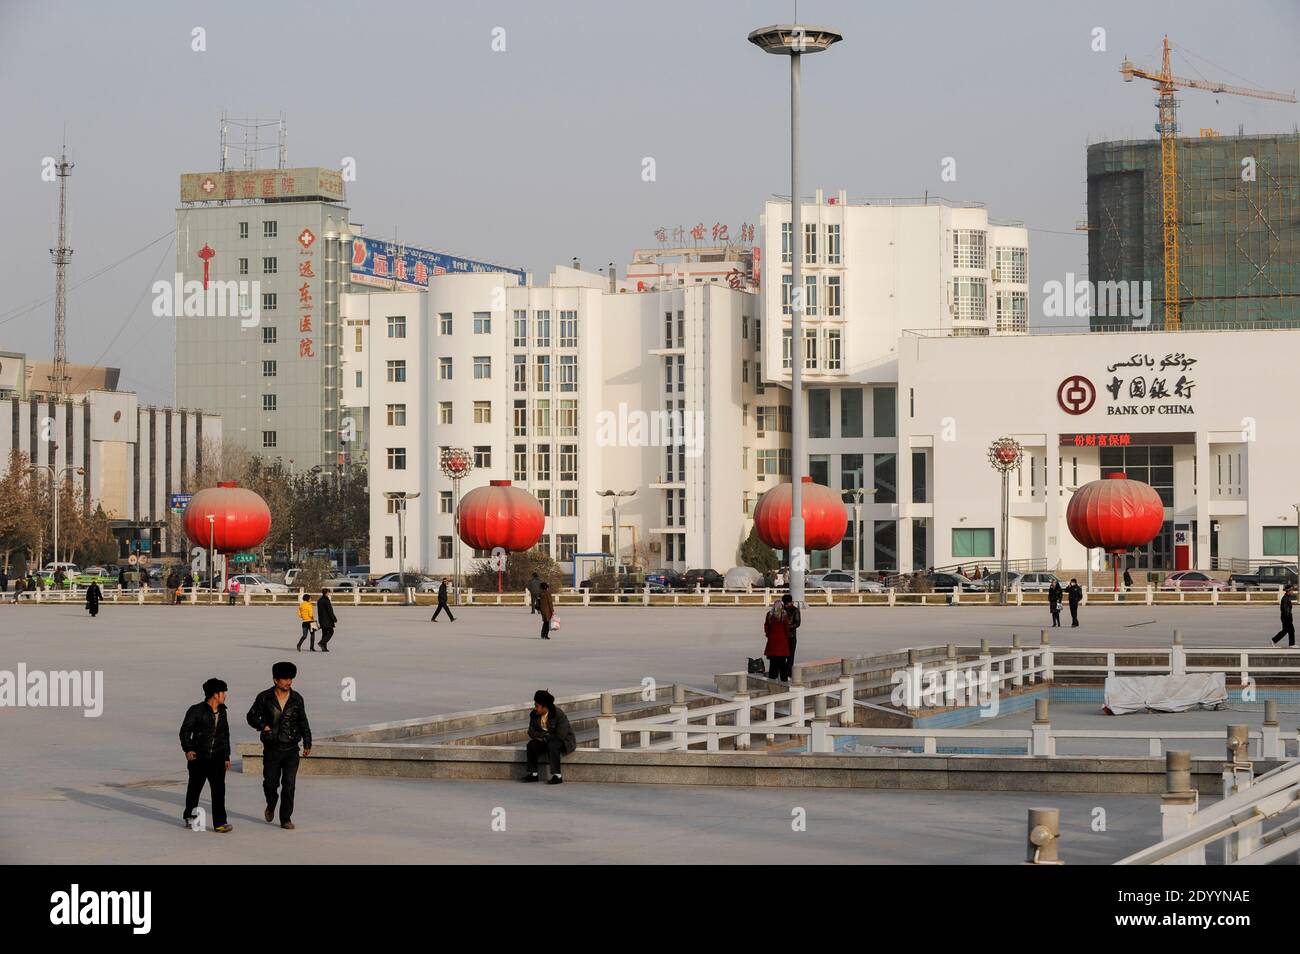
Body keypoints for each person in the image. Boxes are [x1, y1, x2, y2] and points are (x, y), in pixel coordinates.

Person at [246, 661, 312, 830]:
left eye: (290, 678)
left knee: (289, 785)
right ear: (276, 680)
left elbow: (303, 721)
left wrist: (307, 741)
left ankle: (285, 818)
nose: (288, 682)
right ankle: (271, 803)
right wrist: (263, 726)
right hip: (272, 748)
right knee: (270, 783)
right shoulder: (264, 697)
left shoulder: (297, 698)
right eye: (284, 679)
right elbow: (251, 716)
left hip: (291, 748)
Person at [180, 678, 233, 833]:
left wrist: (226, 756)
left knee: (219, 792)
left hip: (217, 758)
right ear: (215, 694)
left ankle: (220, 823)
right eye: (223, 693)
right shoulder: (196, 710)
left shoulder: (222, 712)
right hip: (199, 758)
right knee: (194, 790)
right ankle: (190, 816)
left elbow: (225, 735)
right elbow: (184, 732)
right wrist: (188, 749)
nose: (225, 696)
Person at [521, 689, 576, 784]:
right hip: (545, 739)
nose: (535, 708)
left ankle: (557, 776)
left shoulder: (558, 714)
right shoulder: (534, 714)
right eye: (535, 705)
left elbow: (560, 735)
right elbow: (531, 732)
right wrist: (545, 735)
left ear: (545, 707)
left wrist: (546, 737)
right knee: (531, 745)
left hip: (563, 741)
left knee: (553, 745)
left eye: (537, 706)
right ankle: (533, 774)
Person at [764, 600, 792, 681]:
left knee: (773, 662)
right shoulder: (784, 615)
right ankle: (784, 679)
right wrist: (787, 637)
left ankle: (772, 678)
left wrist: (768, 634)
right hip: (782, 641)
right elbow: (786, 628)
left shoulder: (769, 614)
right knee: (782, 663)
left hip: (772, 641)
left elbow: (766, 626)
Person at [781, 592, 802, 669]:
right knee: (782, 655)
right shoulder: (781, 610)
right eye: (785, 604)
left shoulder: (795, 610)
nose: (786, 605)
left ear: (791, 602)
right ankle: (783, 672)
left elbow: (797, 623)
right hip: (782, 636)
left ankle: (789, 672)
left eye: (787, 604)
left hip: (791, 636)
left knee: (790, 656)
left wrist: (787, 627)